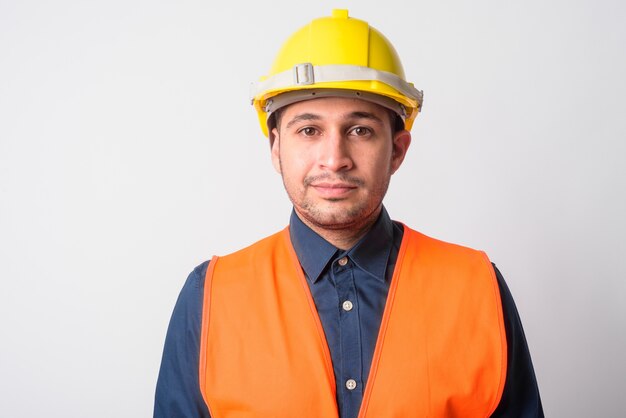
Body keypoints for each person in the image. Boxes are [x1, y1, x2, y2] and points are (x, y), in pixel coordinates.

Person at [154, 9, 543, 418]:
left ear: (397, 150)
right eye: (309, 130)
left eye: (360, 130)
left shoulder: (477, 287)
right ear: (275, 148)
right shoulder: (209, 296)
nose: (335, 159)